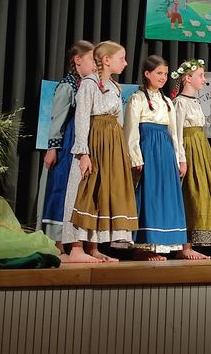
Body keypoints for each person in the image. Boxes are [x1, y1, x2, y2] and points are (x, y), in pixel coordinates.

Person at [62, 41, 138, 262]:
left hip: (111, 145)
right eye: (121, 58)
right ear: (106, 60)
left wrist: (121, 152)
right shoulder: (89, 84)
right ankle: (76, 248)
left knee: (101, 193)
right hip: (93, 143)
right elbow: (82, 118)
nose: (125, 63)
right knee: (83, 191)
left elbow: (119, 121)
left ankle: (93, 247)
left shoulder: (115, 86)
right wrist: (83, 153)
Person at [124, 55, 188, 260]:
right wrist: (136, 157)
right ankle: (143, 247)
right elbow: (131, 131)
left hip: (165, 152)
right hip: (147, 149)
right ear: (147, 74)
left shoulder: (167, 102)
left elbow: (174, 134)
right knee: (148, 195)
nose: (163, 77)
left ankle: (161, 244)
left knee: (164, 196)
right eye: (159, 73)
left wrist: (179, 158)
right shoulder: (137, 99)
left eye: (165, 74)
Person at [42, 40, 96, 257]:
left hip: (83, 144)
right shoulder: (68, 86)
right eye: (92, 59)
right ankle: (57, 245)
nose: (95, 64)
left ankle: (79, 242)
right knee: (61, 189)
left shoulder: (88, 85)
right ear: (78, 60)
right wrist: (53, 148)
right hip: (67, 145)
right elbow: (58, 119)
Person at [172, 58, 211, 259]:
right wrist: (181, 158)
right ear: (187, 78)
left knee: (199, 194)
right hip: (188, 149)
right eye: (200, 75)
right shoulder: (180, 103)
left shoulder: (194, 102)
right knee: (189, 194)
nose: (204, 79)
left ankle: (189, 245)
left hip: (200, 148)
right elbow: (176, 132)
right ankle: (184, 247)